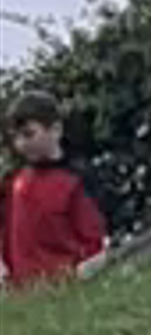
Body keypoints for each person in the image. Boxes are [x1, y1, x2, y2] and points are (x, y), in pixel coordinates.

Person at [5, 110, 110, 285]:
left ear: (55, 130)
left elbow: (96, 241)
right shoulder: (15, 182)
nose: (21, 144)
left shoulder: (76, 180)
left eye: (28, 134)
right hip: (21, 294)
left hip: (67, 288)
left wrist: (76, 278)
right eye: (15, 137)